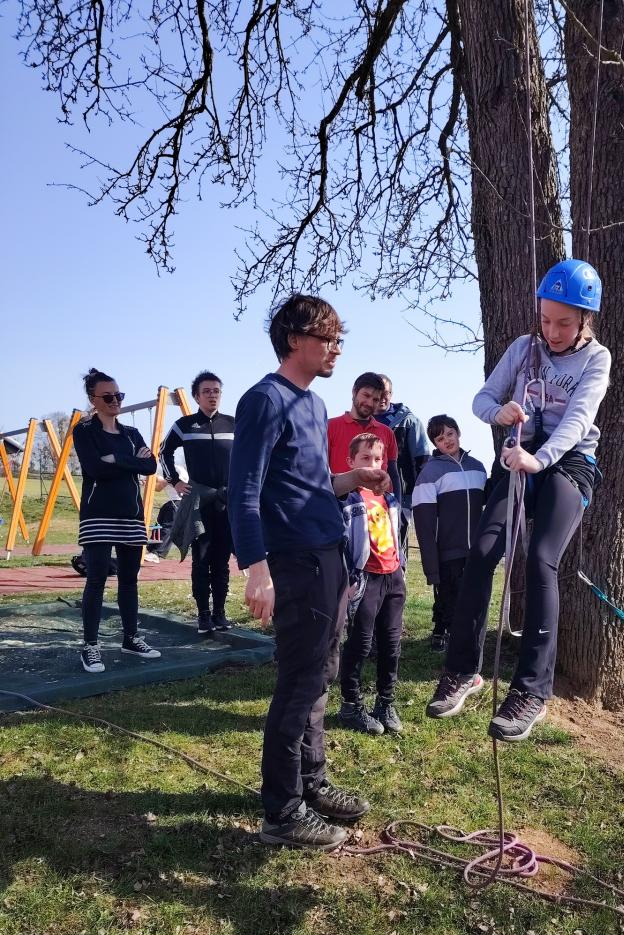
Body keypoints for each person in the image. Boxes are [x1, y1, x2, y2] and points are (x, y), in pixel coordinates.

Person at [228, 294, 391, 852]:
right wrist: (257, 570)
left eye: (340, 339)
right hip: (292, 561)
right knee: (299, 681)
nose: (336, 349)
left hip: (329, 556)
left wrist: (355, 480)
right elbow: (243, 491)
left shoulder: (315, 405)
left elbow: (314, 483)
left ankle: (311, 783)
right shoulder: (264, 400)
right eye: (328, 338)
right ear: (295, 339)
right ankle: (282, 810)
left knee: (322, 673)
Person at [426, 259, 611, 741]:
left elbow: (578, 420)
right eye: (545, 319)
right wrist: (501, 412)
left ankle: (531, 691)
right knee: (482, 553)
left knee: (542, 558)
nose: (552, 331)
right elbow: (481, 401)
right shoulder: (523, 349)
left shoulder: (597, 359)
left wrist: (539, 458)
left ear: (585, 318)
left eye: (564, 323)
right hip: (517, 460)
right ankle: (462, 670)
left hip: (568, 463)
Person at [73, 368, 162, 673]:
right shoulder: (84, 431)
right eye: (108, 397)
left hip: (131, 515)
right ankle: (90, 646)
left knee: (129, 579)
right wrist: (132, 462)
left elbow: (150, 467)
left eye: (118, 395)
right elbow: (95, 469)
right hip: (97, 515)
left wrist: (117, 459)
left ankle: (131, 638)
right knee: (97, 578)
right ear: (93, 399)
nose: (115, 401)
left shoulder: (131, 434)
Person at [338, 434, 405, 735]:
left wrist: (401, 568)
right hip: (365, 580)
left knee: (391, 644)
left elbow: (397, 534)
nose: (372, 464)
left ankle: (385, 702)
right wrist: (347, 579)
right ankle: (351, 705)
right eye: (365, 458)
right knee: (361, 643)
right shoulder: (347, 499)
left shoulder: (390, 499)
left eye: (377, 459)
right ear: (351, 462)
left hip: (393, 578)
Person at [159, 371, 235, 633]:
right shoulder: (185, 425)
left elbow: (248, 456)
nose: (212, 395)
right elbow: (164, 451)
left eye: (216, 391)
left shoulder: (233, 424)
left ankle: (220, 613)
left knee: (222, 560)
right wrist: (174, 481)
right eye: (207, 391)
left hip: (225, 502)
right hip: (198, 503)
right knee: (201, 559)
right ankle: (203, 614)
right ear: (196, 396)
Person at [412, 415, 487, 652]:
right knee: (447, 595)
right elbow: (424, 523)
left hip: (475, 549)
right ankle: (442, 631)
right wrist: (431, 566)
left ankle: (466, 640)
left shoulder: (478, 467)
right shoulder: (430, 473)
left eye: (450, 433)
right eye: (439, 438)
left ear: (458, 432)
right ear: (435, 444)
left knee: (471, 598)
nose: (447, 440)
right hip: (447, 550)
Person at [375, 375, 432, 553]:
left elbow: (422, 462)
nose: (382, 397)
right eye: (378, 392)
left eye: (386, 392)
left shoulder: (409, 422)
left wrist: (419, 497)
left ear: (391, 394)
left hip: (401, 496)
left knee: (396, 543)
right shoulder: (362, 420)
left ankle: (399, 570)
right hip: (367, 495)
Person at [327, 372, 401, 497]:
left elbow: (393, 473)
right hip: (341, 503)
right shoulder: (329, 427)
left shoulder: (387, 432)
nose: (370, 403)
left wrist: (397, 502)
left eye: (375, 399)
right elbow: (320, 471)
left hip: (380, 505)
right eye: (366, 395)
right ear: (354, 391)